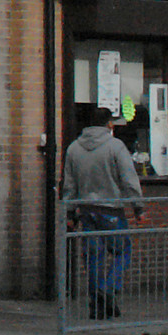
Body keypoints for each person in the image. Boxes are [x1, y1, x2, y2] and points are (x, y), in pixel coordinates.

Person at [64, 102, 143, 317]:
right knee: (122, 251)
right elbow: (129, 179)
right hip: (111, 211)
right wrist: (138, 207)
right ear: (109, 124)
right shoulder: (115, 147)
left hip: (86, 211)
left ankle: (96, 306)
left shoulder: (73, 148)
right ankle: (108, 289)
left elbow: (69, 186)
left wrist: (70, 213)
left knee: (93, 259)